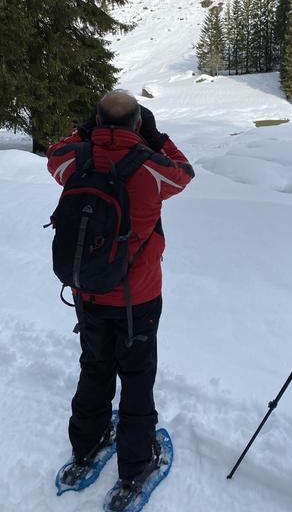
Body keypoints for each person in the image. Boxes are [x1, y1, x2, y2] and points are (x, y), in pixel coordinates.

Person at [47, 90, 194, 501]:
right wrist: (156, 134)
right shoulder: (151, 167)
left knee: (94, 366)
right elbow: (184, 171)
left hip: (87, 292)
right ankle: (135, 466)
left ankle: (85, 446)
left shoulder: (74, 159)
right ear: (137, 124)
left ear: (97, 121)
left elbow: (54, 153)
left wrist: (87, 131)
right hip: (138, 299)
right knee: (137, 377)